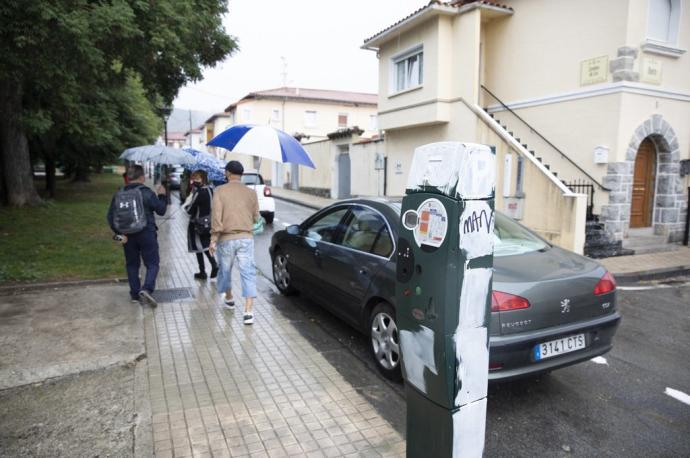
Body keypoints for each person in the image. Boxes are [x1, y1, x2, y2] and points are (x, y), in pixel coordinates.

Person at [107, 165, 167, 307]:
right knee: (152, 263)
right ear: (142, 177)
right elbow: (161, 210)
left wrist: (119, 235)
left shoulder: (119, 194)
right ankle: (146, 289)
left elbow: (110, 217)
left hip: (127, 235)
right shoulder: (146, 192)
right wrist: (162, 195)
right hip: (146, 233)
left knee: (132, 264)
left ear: (128, 178)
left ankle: (134, 294)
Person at [210, 160, 259, 325]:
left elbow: (216, 218)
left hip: (226, 238)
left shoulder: (219, 191)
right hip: (246, 238)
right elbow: (256, 217)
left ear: (227, 173)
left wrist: (213, 240)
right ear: (241, 174)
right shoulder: (251, 193)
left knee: (225, 271)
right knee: (248, 272)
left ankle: (230, 298)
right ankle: (248, 312)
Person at [184, 170, 218, 280]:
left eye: (196, 178)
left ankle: (205, 270)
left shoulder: (198, 192)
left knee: (198, 247)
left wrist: (186, 203)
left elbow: (190, 209)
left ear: (202, 179)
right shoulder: (212, 190)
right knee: (206, 245)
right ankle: (211, 266)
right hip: (210, 223)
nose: (194, 181)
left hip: (197, 224)